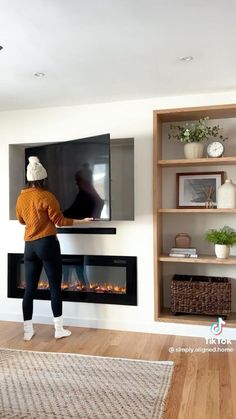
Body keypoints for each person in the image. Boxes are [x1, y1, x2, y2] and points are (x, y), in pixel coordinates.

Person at [16, 156, 93, 341]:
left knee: (29, 289)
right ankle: (58, 329)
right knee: (55, 287)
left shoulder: (21, 198)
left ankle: (28, 331)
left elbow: (21, 220)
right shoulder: (46, 196)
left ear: (28, 179)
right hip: (47, 244)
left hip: (29, 246)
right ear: (43, 178)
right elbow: (60, 221)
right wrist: (82, 221)